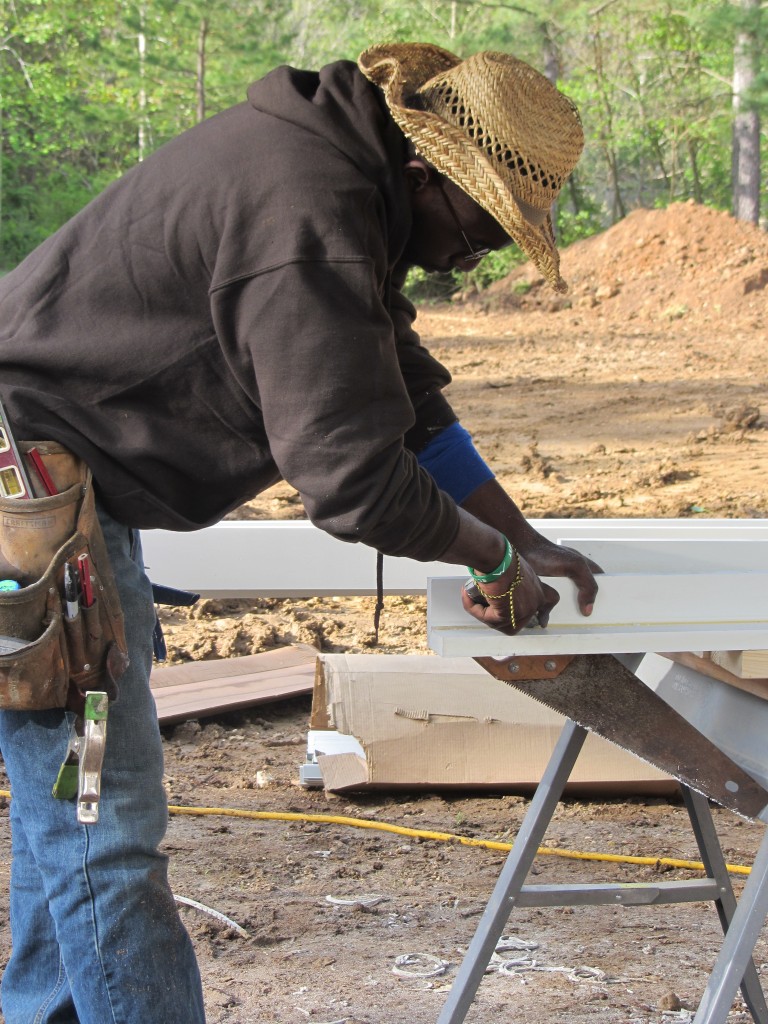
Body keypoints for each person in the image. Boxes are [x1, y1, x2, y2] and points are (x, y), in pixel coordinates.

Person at [0, 41, 598, 1022]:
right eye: (481, 228)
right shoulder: (308, 214)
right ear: (425, 172)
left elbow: (406, 398)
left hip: (55, 496)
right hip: (31, 512)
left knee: (72, 799)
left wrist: (520, 536)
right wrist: (485, 557)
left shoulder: (337, 183)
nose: (470, 257)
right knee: (101, 818)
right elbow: (354, 478)